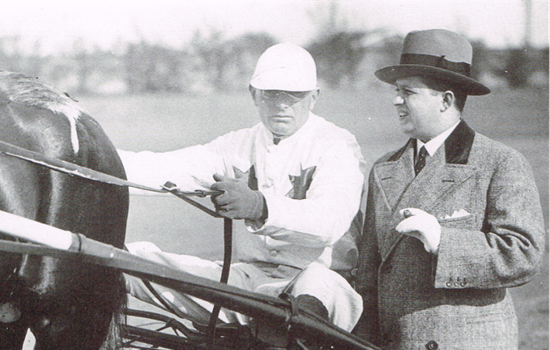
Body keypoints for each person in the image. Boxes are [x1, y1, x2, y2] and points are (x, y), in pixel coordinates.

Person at [119, 42, 366, 335]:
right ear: (254, 94)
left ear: (314, 97)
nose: (282, 103)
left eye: (295, 94)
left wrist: (260, 207)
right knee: (123, 260)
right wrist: (75, 154)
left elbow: (329, 221)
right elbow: (163, 169)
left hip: (323, 284)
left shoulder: (337, 145)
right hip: (251, 281)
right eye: (272, 93)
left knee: (314, 286)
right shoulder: (237, 145)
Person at [354, 29, 545, 350]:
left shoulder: (499, 162)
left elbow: (524, 254)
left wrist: (444, 241)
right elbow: (368, 271)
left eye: (408, 92)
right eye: (396, 91)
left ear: (446, 100)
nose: (395, 100)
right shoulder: (384, 168)